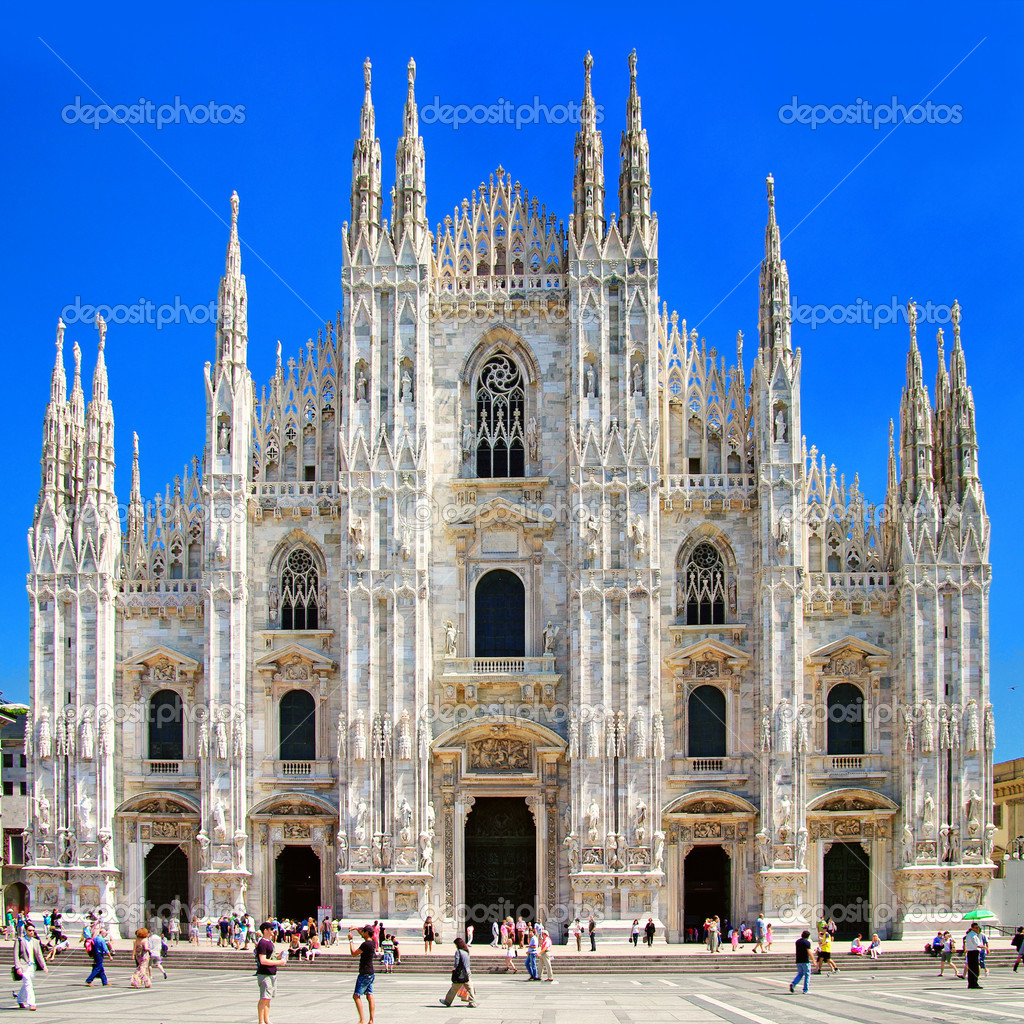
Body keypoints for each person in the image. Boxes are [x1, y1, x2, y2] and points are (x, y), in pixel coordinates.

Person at [255, 921, 285, 1024]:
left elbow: (271, 957)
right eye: (271, 929)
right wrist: (279, 962)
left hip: (272, 973)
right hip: (265, 974)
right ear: (265, 930)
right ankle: (261, 1021)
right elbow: (263, 960)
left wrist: (279, 956)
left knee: (268, 999)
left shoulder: (270, 942)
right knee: (264, 998)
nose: (273, 931)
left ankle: (267, 1019)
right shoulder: (262, 943)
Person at [12, 922, 48, 1010]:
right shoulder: (20, 940)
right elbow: (16, 955)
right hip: (23, 965)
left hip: (32, 966)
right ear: (26, 930)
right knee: (28, 984)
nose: (31, 932)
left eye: (33, 931)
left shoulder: (35, 941)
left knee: (27, 984)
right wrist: (18, 967)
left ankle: (20, 999)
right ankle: (32, 1003)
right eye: (29, 930)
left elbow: (39, 955)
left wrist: (44, 966)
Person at [349, 924, 376, 1024]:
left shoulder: (365, 945)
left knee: (356, 996)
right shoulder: (372, 942)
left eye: (363, 931)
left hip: (364, 973)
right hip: (371, 972)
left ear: (367, 933)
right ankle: (371, 1020)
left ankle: (362, 1020)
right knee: (370, 996)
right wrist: (356, 929)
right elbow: (363, 934)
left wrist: (351, 941)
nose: (362, 933)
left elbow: (353, 953)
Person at [440, 937, 477, 1007]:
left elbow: (457, 962)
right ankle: (473, 1002)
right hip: (467, 972)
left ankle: (447, 1001)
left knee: (454, 988)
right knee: (470, 988)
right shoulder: (466, 951)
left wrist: (454, 969)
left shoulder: (458, 951)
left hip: (461, 973)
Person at [790, 929, 812, 994]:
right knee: (807, 975)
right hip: (805, 961)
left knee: (800, 974)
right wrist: (813, 960)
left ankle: (793, 983)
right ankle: (805, 990)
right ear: (808, 936)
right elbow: (809, 952)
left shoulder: (797, 942)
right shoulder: (807, 943)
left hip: (798, 960)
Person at [964, 922, 984, 989]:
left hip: (970, 952)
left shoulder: (969, 934)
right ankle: (974, 983)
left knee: (971, 969)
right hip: (974, 952)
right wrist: (986, 948)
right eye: (976, 928)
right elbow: (978, 945)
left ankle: (971, 983)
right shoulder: (974, 935)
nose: (977, 929)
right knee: (975, 969)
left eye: (978, 928)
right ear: (972, 928)